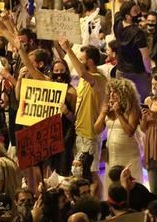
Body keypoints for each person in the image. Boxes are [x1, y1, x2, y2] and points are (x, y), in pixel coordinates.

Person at [59, 39, 107, 197]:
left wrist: (68, 49)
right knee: (80, 173)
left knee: (91, 175)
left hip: (89, 135)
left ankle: (95, 206)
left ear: (90, 62)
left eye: (81, 60)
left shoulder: (98, 79)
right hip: (80, 132)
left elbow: (81, 72)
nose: (77, 63)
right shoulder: (82, 80)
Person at [94, 78, 142, 188]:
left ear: (123, 93)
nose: (111, 94)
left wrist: (119, 113)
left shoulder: (132, 108)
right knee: (113, 187)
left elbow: (130, 131)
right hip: (112, 157)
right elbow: (96, 130)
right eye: (110, 91)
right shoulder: (108, 107)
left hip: (129, 156)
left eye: (114, 92)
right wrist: (102, 114)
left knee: (129, 186)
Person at [114, 0, 152, 101]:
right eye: (135, 11)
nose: (139, 13)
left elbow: (117, 0)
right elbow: (145, 57)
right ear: (128, 16)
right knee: (142, 104)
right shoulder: (138, 33)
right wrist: (149, 73)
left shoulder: (118, 22)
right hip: (138, 74)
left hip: (121, 71)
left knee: (124, 102)